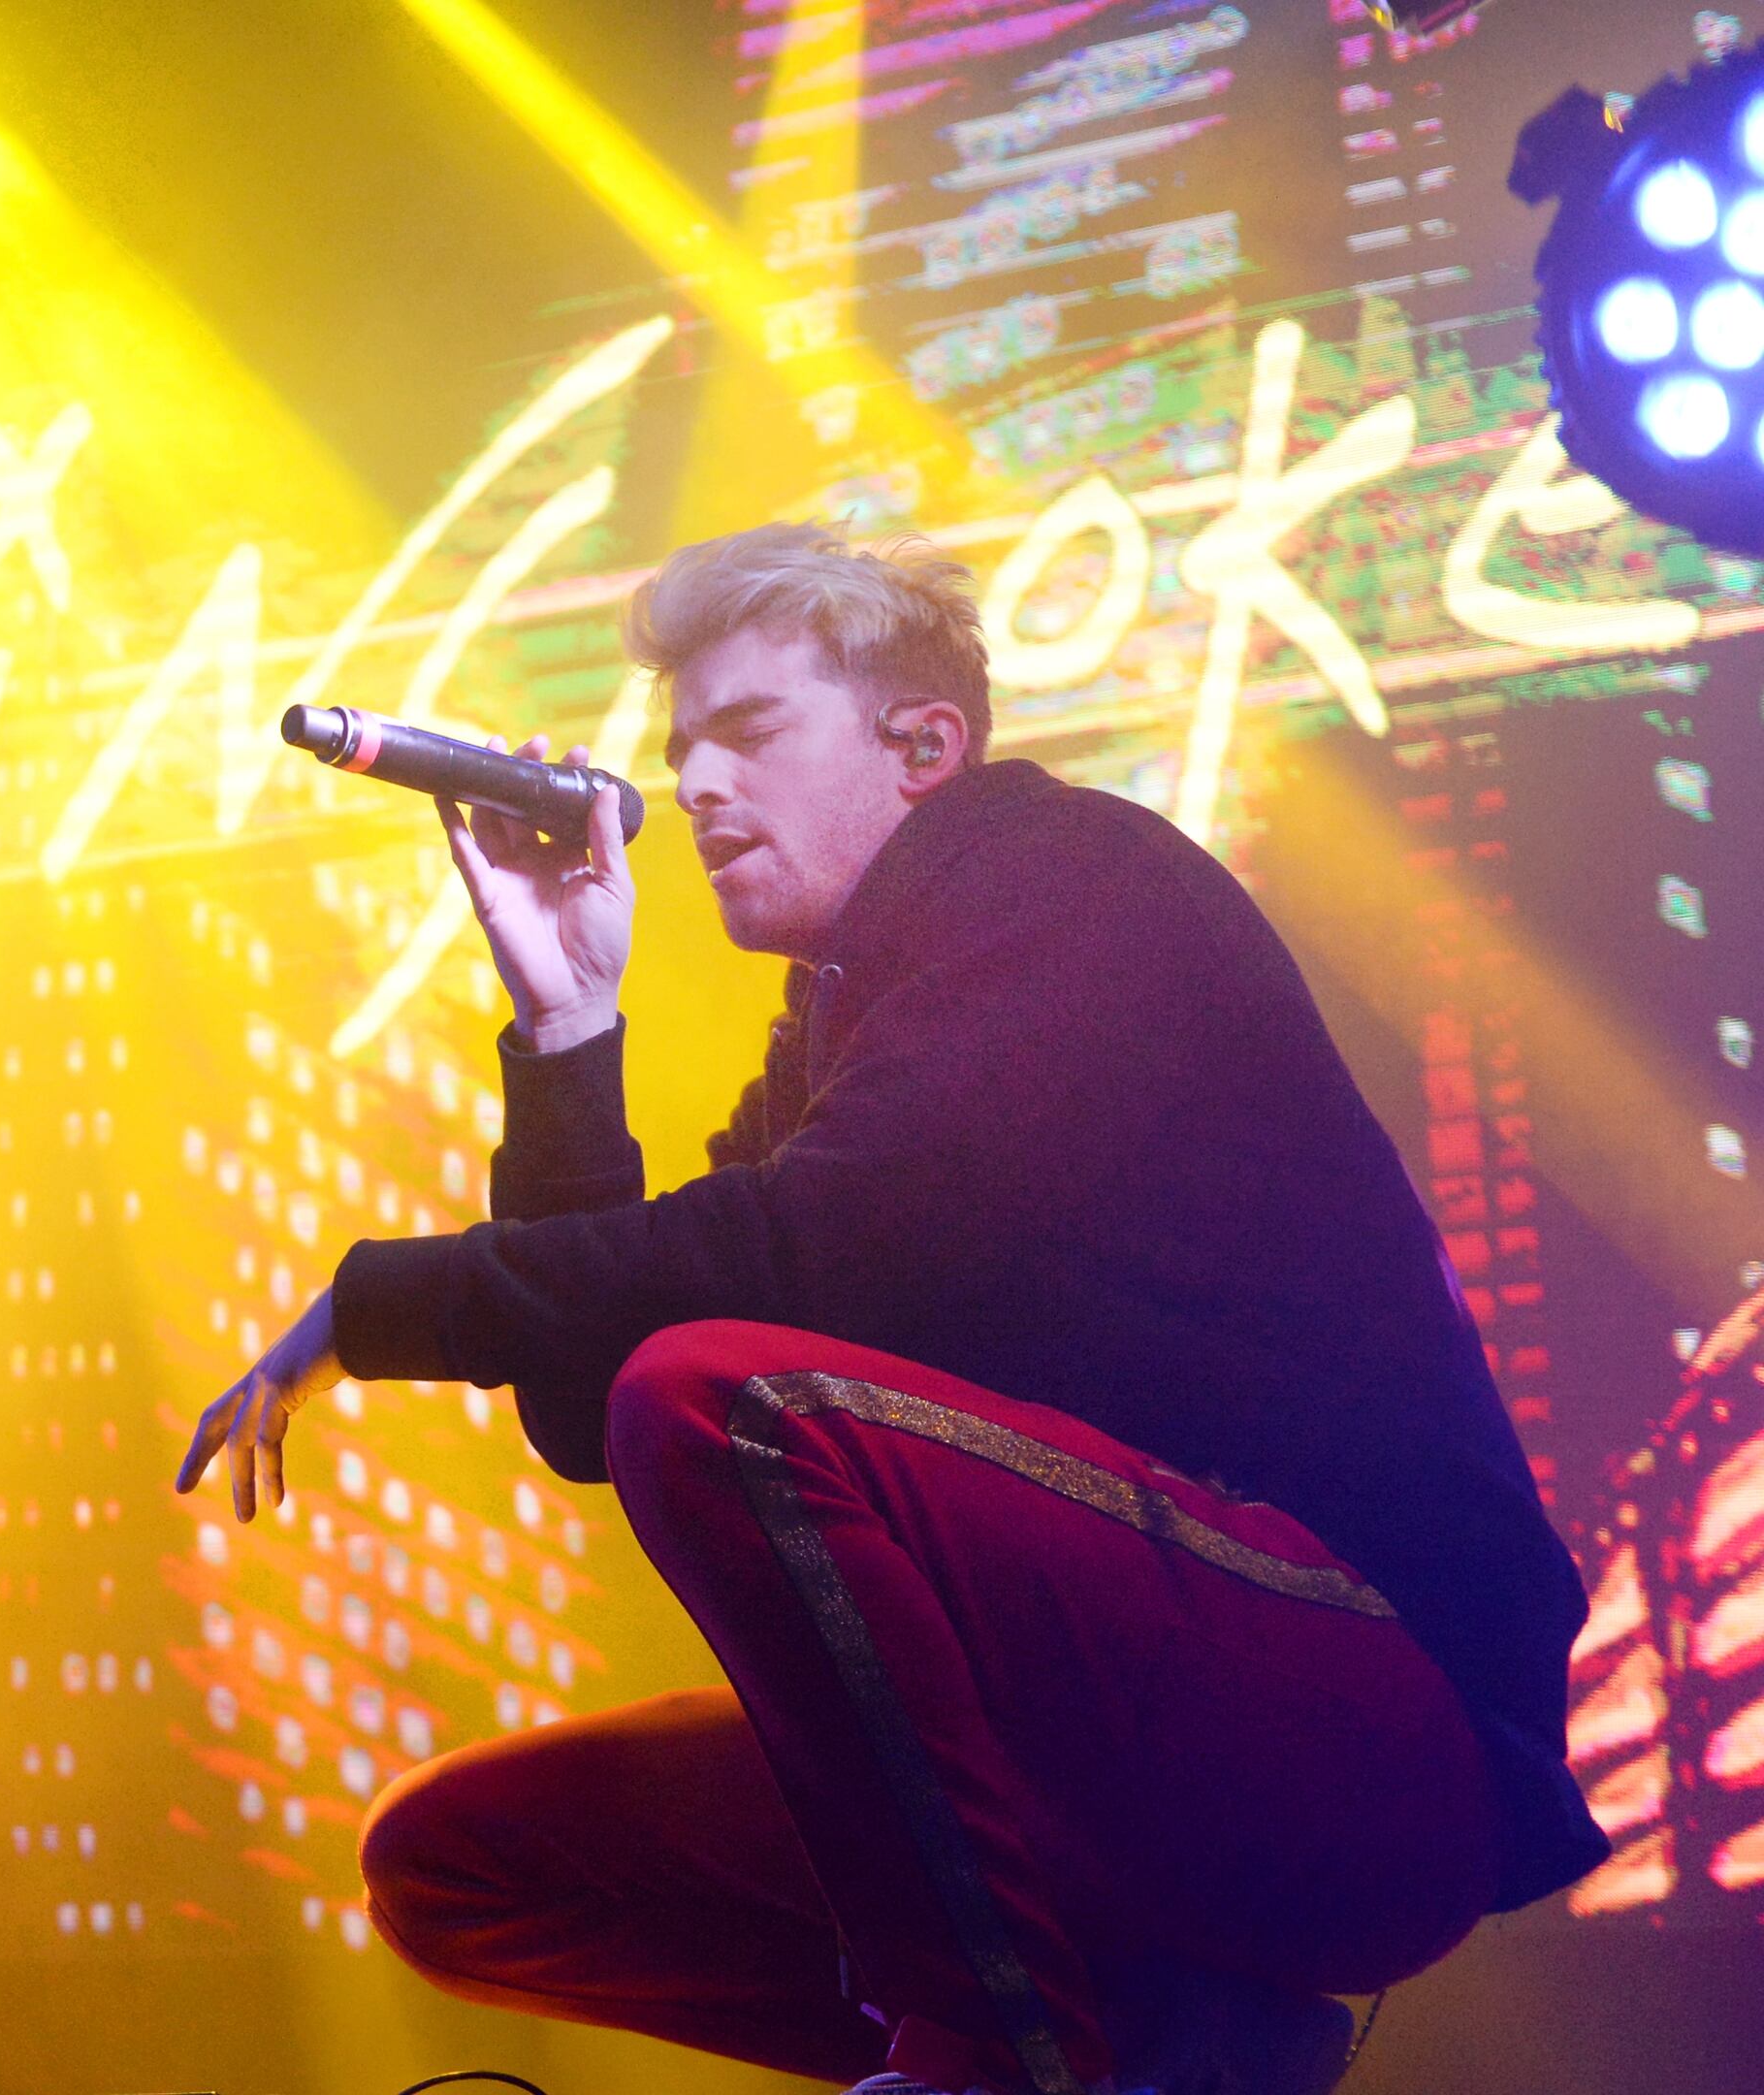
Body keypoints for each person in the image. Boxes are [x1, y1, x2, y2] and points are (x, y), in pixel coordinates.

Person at [176, 526, 1603, 2095]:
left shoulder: (1075, 879)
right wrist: (571, 1025)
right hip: (1109, 1745)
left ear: (926, 744)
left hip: (1362, 1727)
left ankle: (989, 2058)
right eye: (680, 750)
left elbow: (792, 1276)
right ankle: (1151, 2036)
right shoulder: (837, 1029)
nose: (698, 788)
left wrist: (376, 1305)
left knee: (737, 1400)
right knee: (463, 1861)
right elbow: (594, 1410)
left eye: (752, 732)